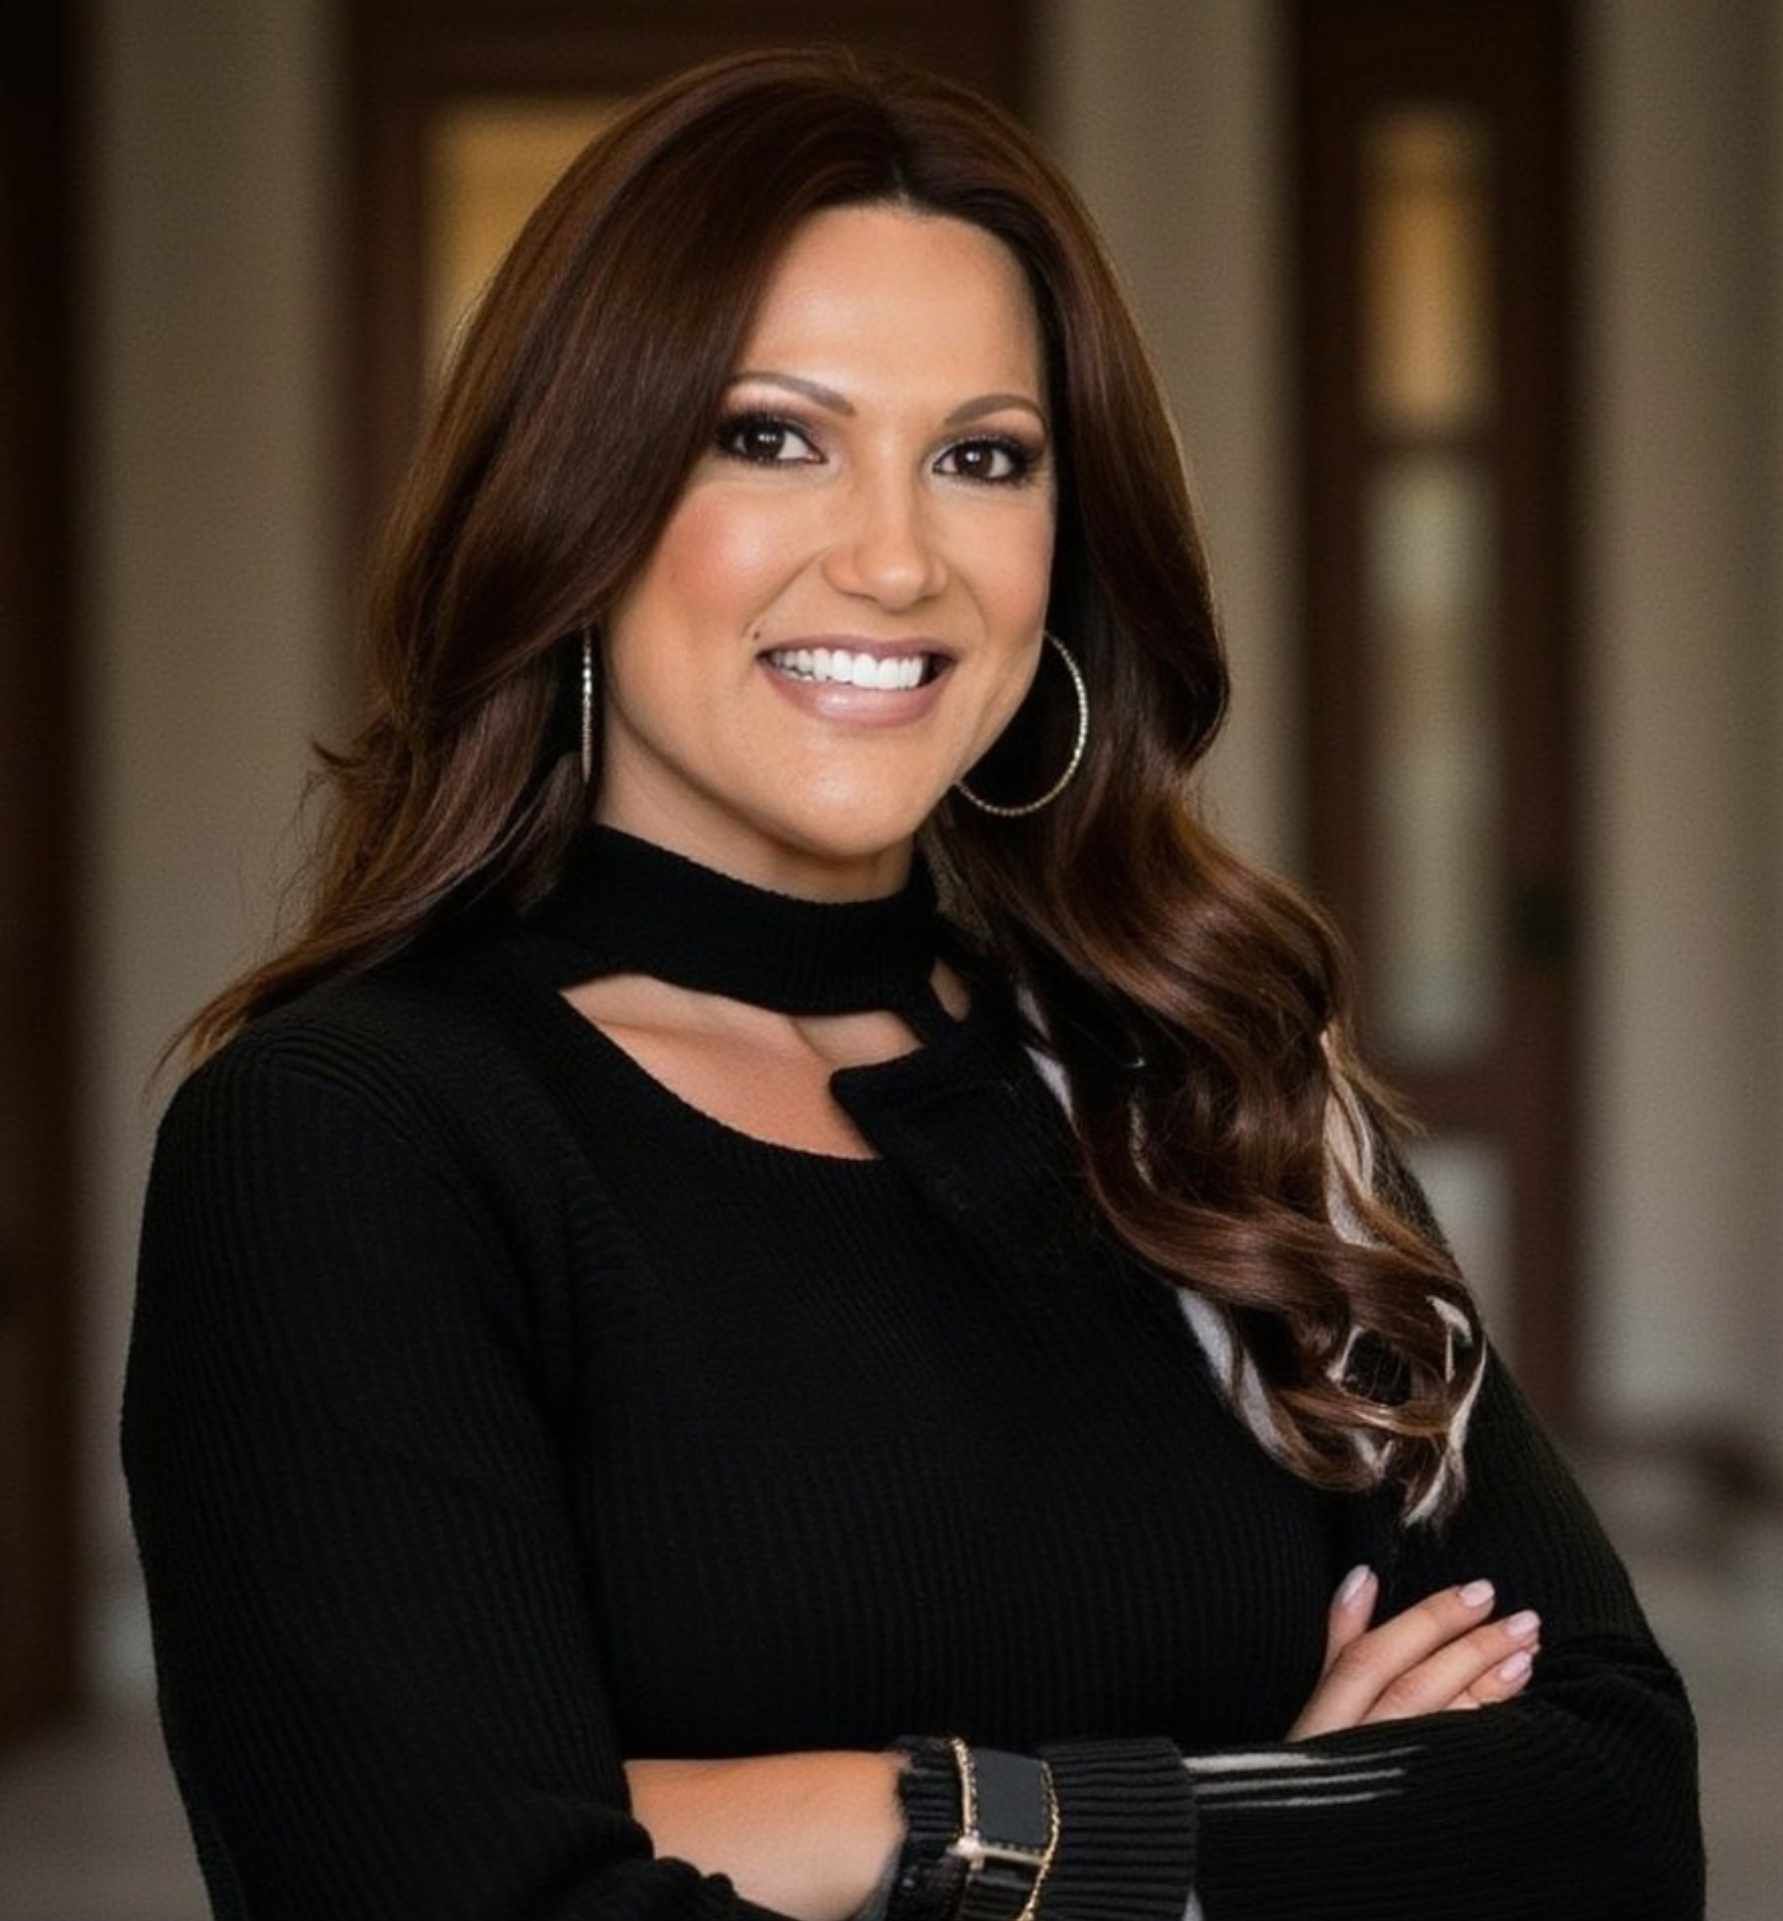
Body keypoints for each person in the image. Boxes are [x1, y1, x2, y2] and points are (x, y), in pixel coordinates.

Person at [120, 40, 1704, 1921]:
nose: (894, 559)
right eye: (770, 434)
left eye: (983, 456)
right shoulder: (346, 1143)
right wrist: (1276, 1811)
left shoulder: (1210, 1084)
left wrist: (894, 1822)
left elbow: (1609, 1813)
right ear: (583, 491)